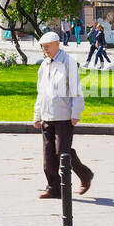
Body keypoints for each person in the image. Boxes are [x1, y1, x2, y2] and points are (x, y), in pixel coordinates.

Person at [33, 31, 94, 199]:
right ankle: (53, 188)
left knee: (62, 152)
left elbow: (76, 90)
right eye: (43, 47)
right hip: (47, 116)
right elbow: (41, 92)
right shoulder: (44, 65)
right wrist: (36, 115)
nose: (45, 50)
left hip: (64, 117)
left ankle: (85, 174)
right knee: (48, 156)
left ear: (57, 44)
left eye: (48, 47)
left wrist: (76, 112)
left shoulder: (68, 62)